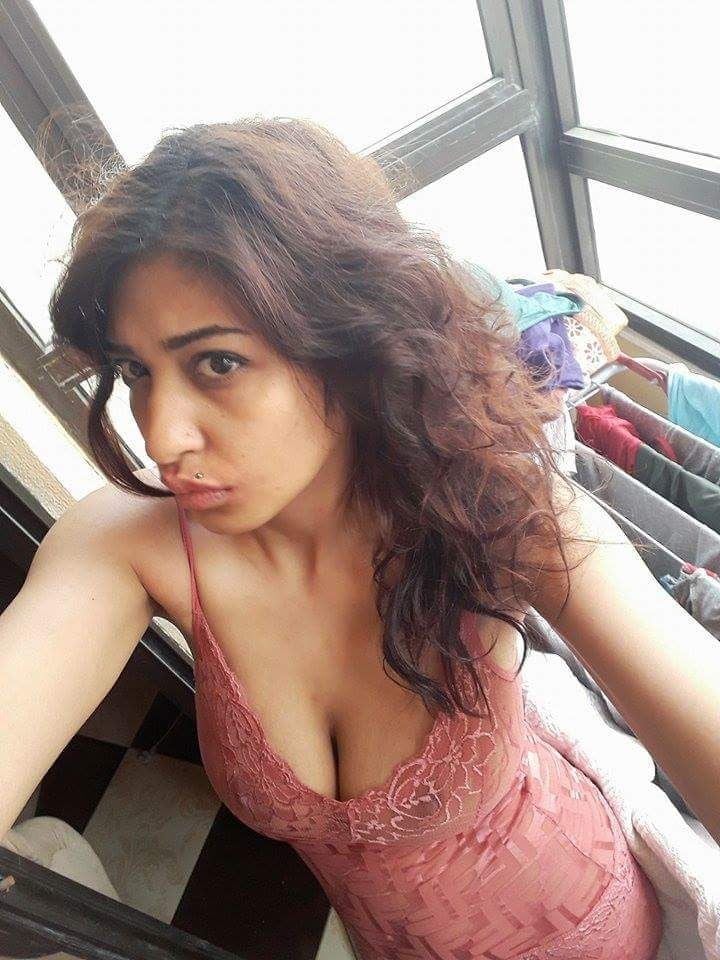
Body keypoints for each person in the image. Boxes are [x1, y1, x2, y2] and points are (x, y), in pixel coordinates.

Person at [1, 116, 719, 959]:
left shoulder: (494, 504)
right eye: (136, 371)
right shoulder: (130, 547)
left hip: (588, 926)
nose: (160, 436)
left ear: (346, 345)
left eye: (217, 363)